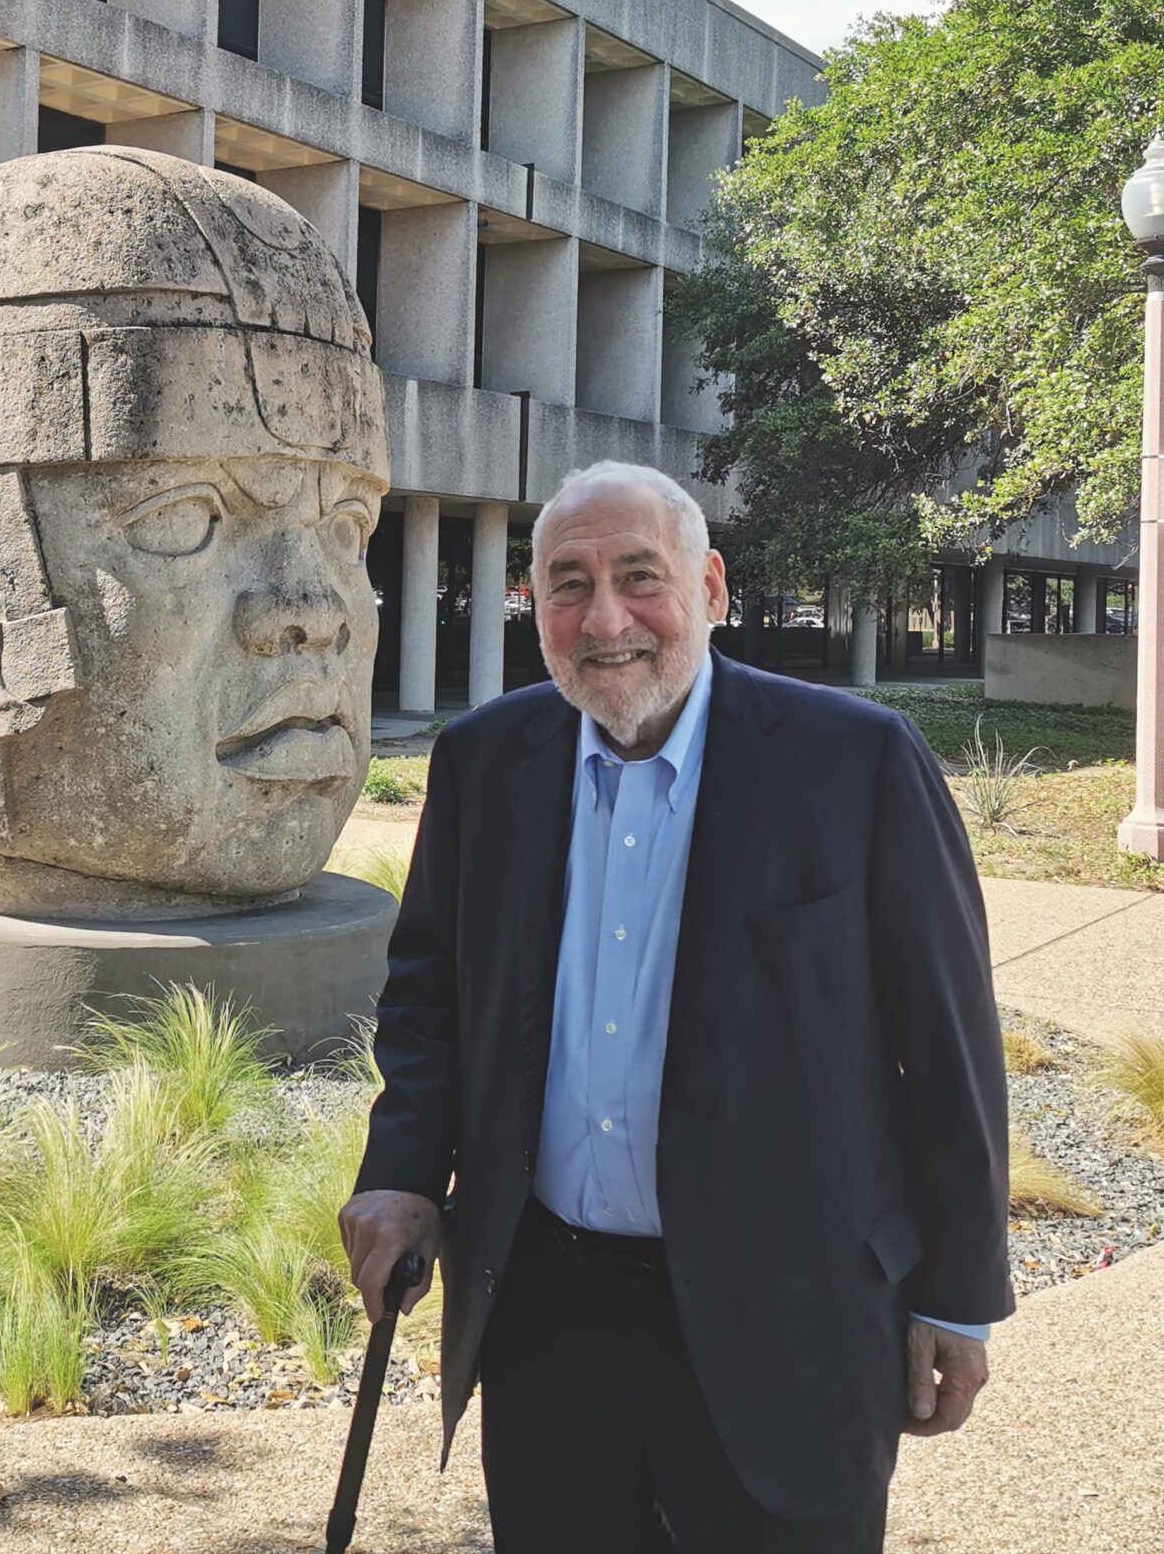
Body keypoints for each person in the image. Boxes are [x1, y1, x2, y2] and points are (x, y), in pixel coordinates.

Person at [341, 460, 1011, 1552]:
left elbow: (948, 1047)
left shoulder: (856, 763)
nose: (604, 619)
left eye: (637, 577)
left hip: (788, 1308)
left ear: (709, 588)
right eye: (567, 584)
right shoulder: (482, 762)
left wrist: (955, 1294)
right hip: (546, 1316)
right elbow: (431, 1003)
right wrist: (406, 1173)